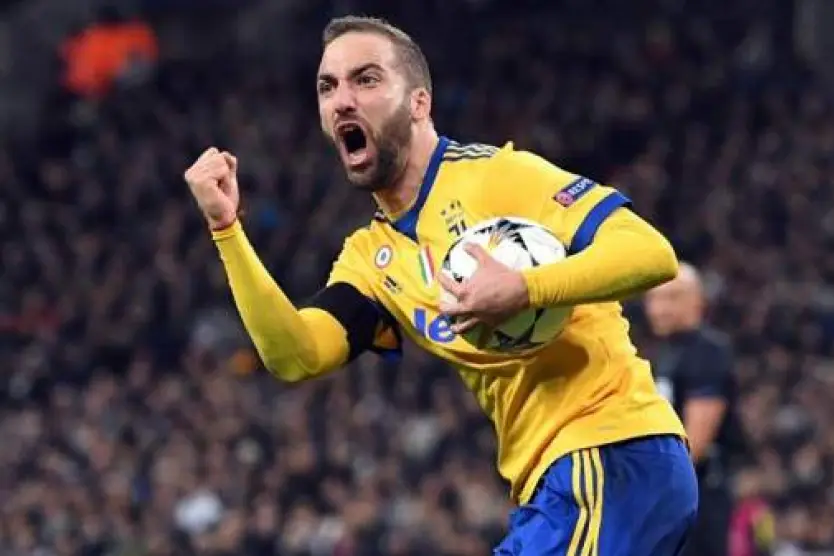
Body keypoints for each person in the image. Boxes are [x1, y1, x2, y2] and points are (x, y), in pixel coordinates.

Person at [183, 15, 697, 555]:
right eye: (328, 87)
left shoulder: (495, 176)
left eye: (366, 79)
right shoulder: (371, 258)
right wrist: (227, 230)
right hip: (555, 484)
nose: (343, 101)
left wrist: (525, 288)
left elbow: (650, 253)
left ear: (419, 103)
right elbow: (296, 355)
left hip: (611, 454)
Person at [643, 263, 748, 556]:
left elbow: (696, 442)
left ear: (697, 302)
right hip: (670, 490)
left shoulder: (707, 351)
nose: (661, 308)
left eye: (672, 297)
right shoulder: (662, 353)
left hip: (697, 494)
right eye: (654, 298)